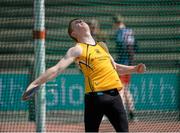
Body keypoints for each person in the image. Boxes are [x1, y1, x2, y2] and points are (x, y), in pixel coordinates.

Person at [22, 18, 146, 132]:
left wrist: (135, 69)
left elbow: (116, 67)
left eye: (82, 21)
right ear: (73, 34)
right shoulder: (77, 49)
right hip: (95, 99)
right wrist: (35, 83)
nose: (81, 22)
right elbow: (57, 69)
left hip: (115, 97)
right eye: (76, 23)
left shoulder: (102, 46)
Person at [112, 15, 138, 121]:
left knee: (120, 90)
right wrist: (131, 64)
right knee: (126, 90)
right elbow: (134, 47)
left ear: (116, 23)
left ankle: (120, 115)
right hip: (128, 64)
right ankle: (132, 113)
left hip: (122, 65)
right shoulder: (130, 31)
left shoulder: (119, 33)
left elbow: (126, 47)